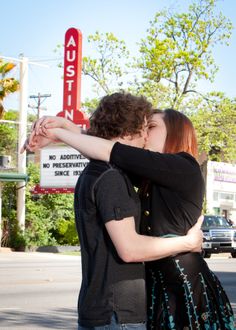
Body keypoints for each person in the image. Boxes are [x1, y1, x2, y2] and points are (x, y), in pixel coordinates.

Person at [23, 92, 205, 330]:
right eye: (144, 126)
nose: (146, 133)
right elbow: (112, 147)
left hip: (182, 291)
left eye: (152, 126)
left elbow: (115, 150)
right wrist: (67, 128)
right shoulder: (126, 174)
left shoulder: (183, 166)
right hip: (147, 296)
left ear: (174, 133)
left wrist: (60, 133)